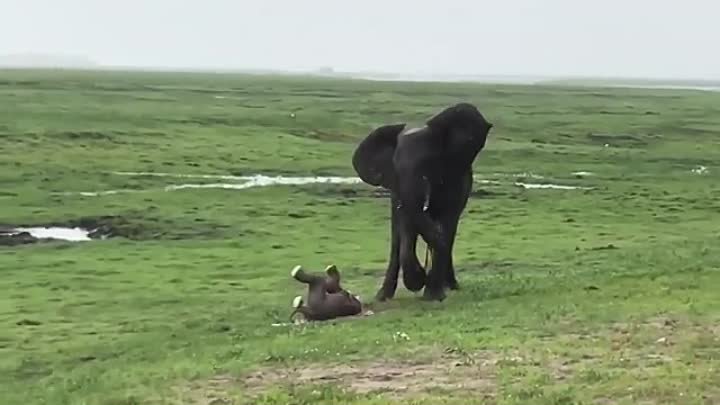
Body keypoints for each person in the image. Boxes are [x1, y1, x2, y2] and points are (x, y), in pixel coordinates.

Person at [289, 264, 363, 321]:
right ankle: (300, 307)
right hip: (316, 315)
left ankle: (299, 276)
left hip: (318, 305)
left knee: (318, 281)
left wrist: (350, 295)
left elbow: (335, 289)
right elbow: (334, 289)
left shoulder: (350, 300)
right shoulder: (349, 305)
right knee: (329, 287)